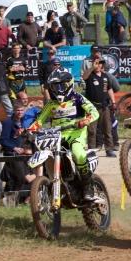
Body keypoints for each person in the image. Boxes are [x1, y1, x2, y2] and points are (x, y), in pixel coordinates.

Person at [31, 69, 100, 201]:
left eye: (61, 85)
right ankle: (59, 185)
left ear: (69, 84)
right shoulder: (51, 104)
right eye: (55, 86)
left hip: (76, 134)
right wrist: (29, 129)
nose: (58, 89)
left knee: (78, 153)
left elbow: (94, 112)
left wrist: (86, 120)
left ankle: (88, 186)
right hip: (57, 136)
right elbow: (39, 121)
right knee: (49, 155)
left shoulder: (78, 98)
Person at [83, 58, 117, 157]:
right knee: (92, 130)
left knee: (107, 129)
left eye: (100, 63)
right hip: (92, 107)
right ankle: (91, 150)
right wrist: (91, 68)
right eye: (96, 63)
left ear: (102, 65)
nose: (98, 65)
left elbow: (109, 89)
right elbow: (84, 76)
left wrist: (113, 102)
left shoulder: (105, 76)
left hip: (104, 106)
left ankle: (109, 149)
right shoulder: (90, 75)